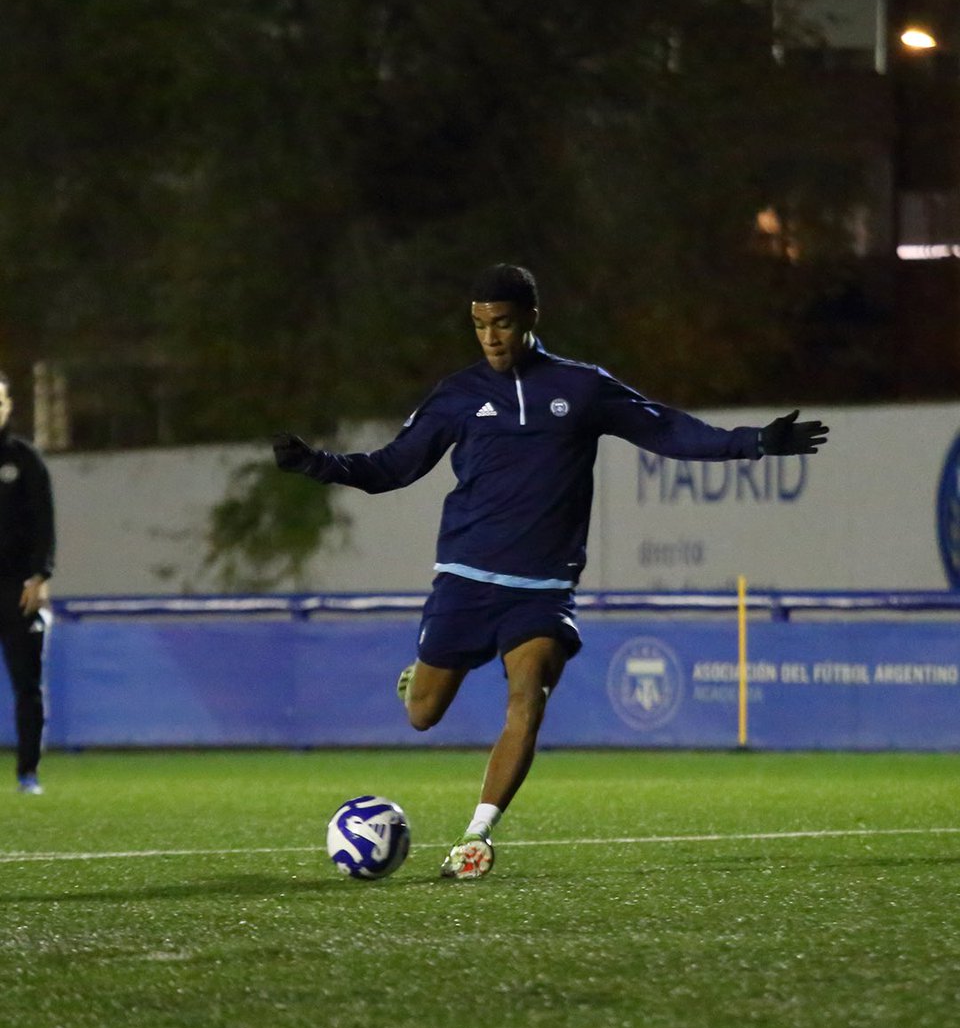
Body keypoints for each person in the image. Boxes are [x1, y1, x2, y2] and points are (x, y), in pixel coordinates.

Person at [273, 264, 828, 879]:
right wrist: (319, 465)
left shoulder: (582, 387)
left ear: (532, 319)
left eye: (503, 323)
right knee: (423, 714)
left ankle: (477, 836)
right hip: (466, 576)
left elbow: (667, 429)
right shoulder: (457, 395)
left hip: (542, 586)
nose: (491, 337)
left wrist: (752, 442)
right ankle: (429, 671)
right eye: (480, 325)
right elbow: (391, 469)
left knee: (527, 696)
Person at [0, 371, 55, 795]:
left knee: (26, 684)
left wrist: (40, 575)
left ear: (9, 405)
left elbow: (44, 522)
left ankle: (28, 773)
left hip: (18, 588)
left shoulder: (25, 459)